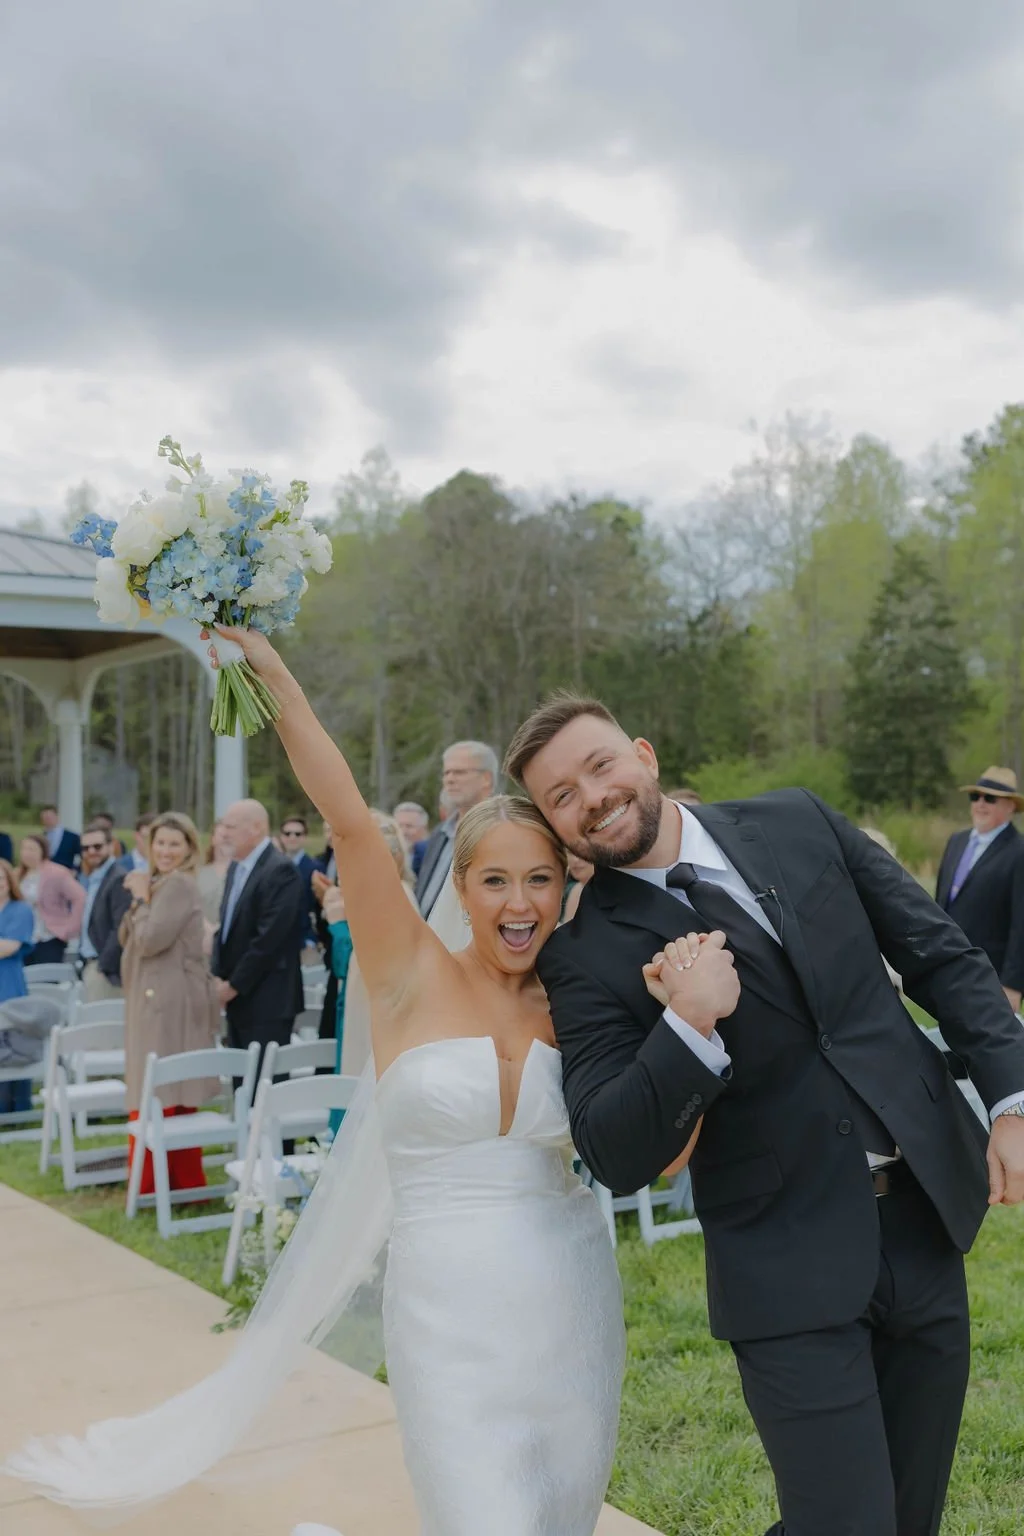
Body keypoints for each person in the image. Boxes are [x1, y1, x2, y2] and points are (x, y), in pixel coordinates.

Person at [12, 629, 695, 1534]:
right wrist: (276, 675)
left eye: (540, 880)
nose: (519, 904)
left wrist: (685, 1029)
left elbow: (665, 1157)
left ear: (569, 887)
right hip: (444, 1314)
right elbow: (341, 815)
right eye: (495, 881)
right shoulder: (408, 972)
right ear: (461, 885)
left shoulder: (591, 1003)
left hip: (573, 1311)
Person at [506, 692, 1024, 1536]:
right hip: (783, 1264)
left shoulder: (799, 820)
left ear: (644, 754)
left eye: (599, 765)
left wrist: (1012, 1098)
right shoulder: (584, 954)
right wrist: (688, 1023)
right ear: (555, 826)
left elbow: (939, 953)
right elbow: (613, 1149)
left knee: (909, 1518)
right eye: (561, 795)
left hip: (928, 1217)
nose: (591, 796)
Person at [119, 811, 220, 1196]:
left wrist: (142, 899)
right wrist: (142, 899)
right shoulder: (161, 883)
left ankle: (149, 1182)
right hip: (157, 991)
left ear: (189, 848)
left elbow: (149, 940)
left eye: (174, 844)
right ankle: (177, 1179)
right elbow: (127, 934)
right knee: (168, 1087)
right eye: (160, 842)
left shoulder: (177, 885)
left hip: (167, 997)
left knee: (158, 1086)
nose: (165, 850)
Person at [211, 799, 305, 1072]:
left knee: (264, 1092)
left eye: (231, 826)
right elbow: (227, 927)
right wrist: (219, 974)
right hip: (238, 998)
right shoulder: (236, 867)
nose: (224, 833)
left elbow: (268, 941)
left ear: (256, 828)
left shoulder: (280, 870)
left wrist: (233, 986)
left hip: (268, 1000)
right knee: (242, 1087)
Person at [937, 766, 1024, 1016]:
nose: (981, 804)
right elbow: (939, 907)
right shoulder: (957, 841)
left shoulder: (1019, 852)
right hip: (946, 971)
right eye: (975, 797)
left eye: (990, 798)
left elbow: (1021, 924)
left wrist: (1013, 985)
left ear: (1010, 806)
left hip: (991, 978)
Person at [415, 741, 499, 916]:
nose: (450, 779)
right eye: (446, 773)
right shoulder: (440, 834)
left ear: (486, 779)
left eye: (459, 772)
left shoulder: (501, 832)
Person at [77, 821, 132, 1002]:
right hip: (90, 964)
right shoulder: (94, 877)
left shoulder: (118, 878)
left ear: (111, 846)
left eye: (97, 846)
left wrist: (103, 966)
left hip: (105, 972)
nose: (91, 851)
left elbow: (121, 928)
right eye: (86, 848)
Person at [0, 858, 35, 1115]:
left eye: (1, 878)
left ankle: (17, 1109)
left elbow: (8, 947)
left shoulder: (20, 910)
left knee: (13, 1045)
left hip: (8, 985)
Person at [18, 834, 86, 966]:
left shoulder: (57, 872)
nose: (27, 853)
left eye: (32, 849)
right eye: (24, 849)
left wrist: (70, 928)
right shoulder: (18, 874)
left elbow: (80, 897)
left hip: (49, 937)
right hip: (23, 939)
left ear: (43, 851)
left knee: (46, 980)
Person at [280, 814, 320, 962]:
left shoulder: (315, 868)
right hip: (277, 945)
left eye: (298, 834)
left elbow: (318, 908)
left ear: (305, 837)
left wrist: (311, 940)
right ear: (281, 837)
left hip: (306, 945)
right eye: (287, 833)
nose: (292, 837)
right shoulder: (273, 867)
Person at [196, 817, 232, 930]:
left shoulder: (245, 874)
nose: (227, 840)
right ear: (213, 839)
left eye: (230, 836)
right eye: (223, 836)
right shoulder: (198, 873)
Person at [393, 801, 430, 877]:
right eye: (399, 826)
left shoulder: (430, 859)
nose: (403, 832)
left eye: (409, 826)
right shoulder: (387, 858)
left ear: (424, 829)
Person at [39, 805, 80, 870]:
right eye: (44, 818)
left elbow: (84, 856)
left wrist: (76, 870)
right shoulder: (41, 838)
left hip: (66, 874)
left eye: (49, 817)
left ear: (57, 817)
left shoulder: (72, 837)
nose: (47, 820)